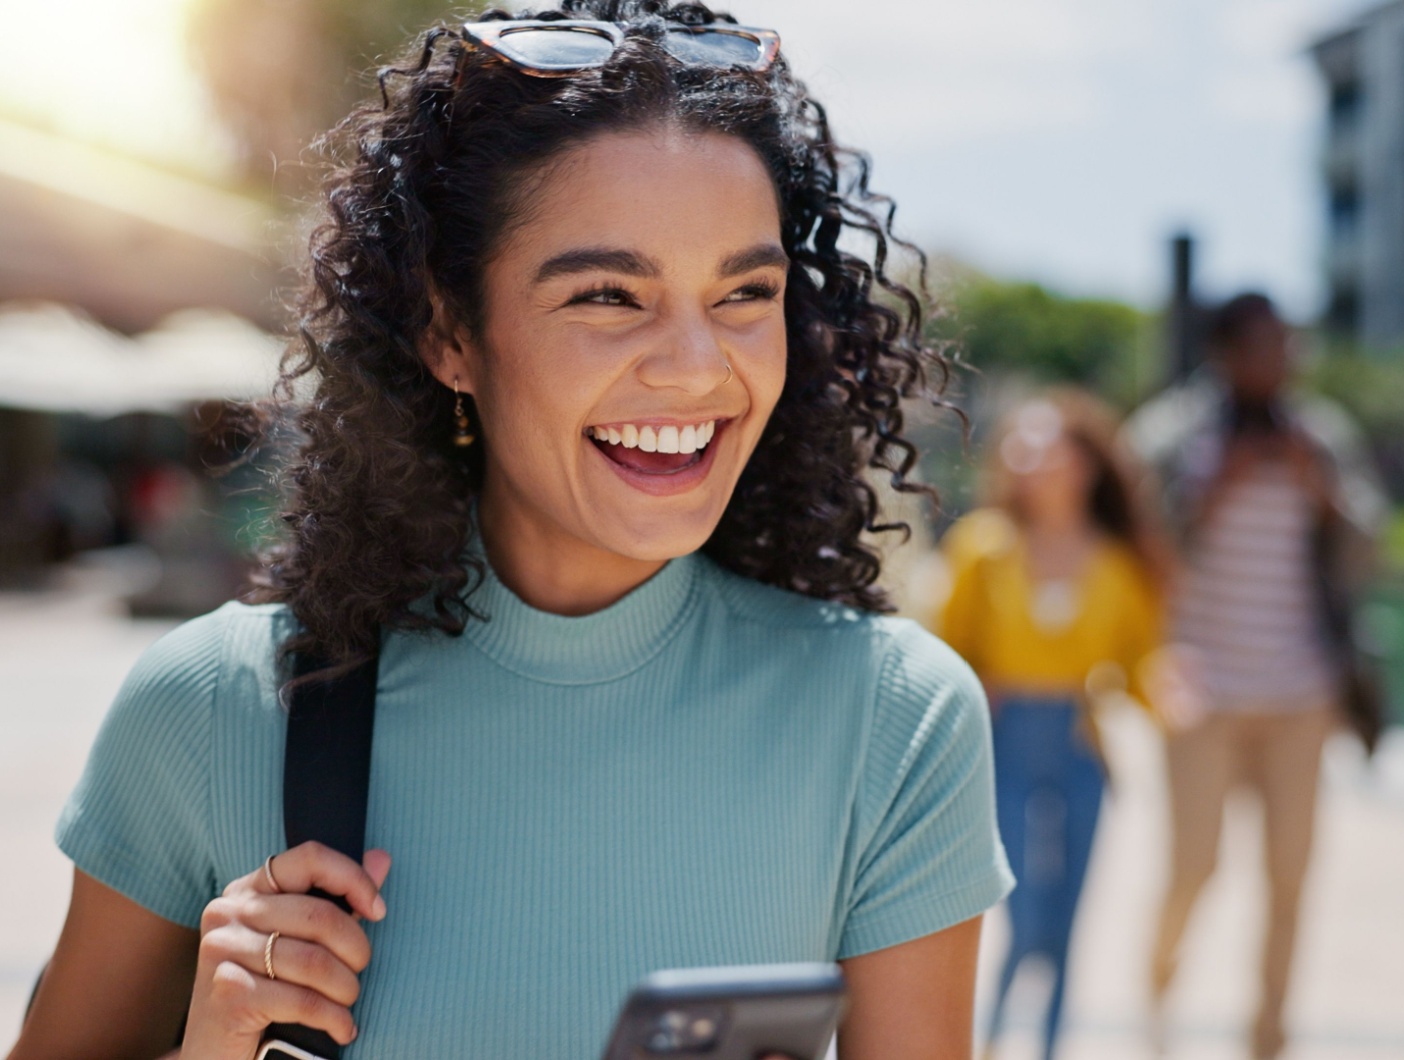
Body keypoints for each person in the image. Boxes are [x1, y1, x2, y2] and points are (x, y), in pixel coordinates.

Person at [8, 5, 1013, 1058]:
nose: (694, 365)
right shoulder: (210, 711)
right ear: (449, 332)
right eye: (608, 295)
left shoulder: (893, 723)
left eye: (743, 293)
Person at [1124, 293, 1386, 1059]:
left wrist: (1324, 494)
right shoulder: (1173, 434)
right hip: (1201, 691)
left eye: (1287, 344)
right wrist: (1209, 492)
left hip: (1302, 693)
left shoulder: (1323, 433)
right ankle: (1158, 1000)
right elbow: (1137, 544)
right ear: (1226, 354)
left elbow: (1372, 545)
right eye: (1265, 345)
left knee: (1290, 878)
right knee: (1193, 868)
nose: (1282, 359)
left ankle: (1269, 1037)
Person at [937, 389, 1166, 1059]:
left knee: (1069, 919)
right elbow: (947, 645)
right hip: (1005, 742)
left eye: (1044, 447)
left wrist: (1169, 691)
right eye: (1020, 447)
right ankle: (994, 1036)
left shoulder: (1119, 564)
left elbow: (1141, 662)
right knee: (1025, 909)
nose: (1025, 460)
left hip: (1079, 743)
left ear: (1083, 463)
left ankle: (1048, 1045)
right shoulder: (983, 547)